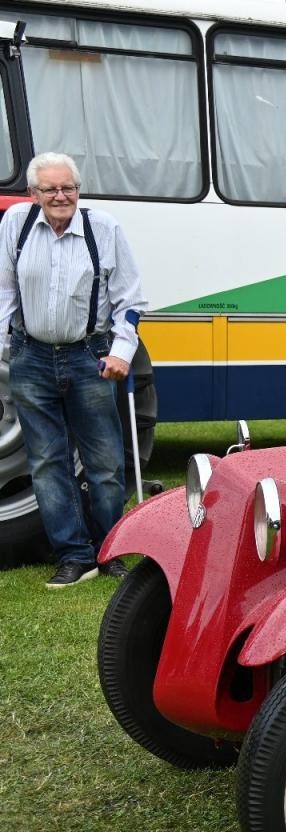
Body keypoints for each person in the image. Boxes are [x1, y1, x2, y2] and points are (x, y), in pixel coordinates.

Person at [0, 152, 146, 588]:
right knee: (47, 462)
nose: (61, 196)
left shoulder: (104, 228)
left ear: (78, 190)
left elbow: (131, 301)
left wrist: (122, 351)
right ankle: (74, 556)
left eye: (69, 187)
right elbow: (4, 291)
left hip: (90, 359)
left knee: (103, 462)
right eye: (51, 189)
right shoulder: (16, 226)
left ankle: (110, 552)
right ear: (33, 194)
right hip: (31, 358)